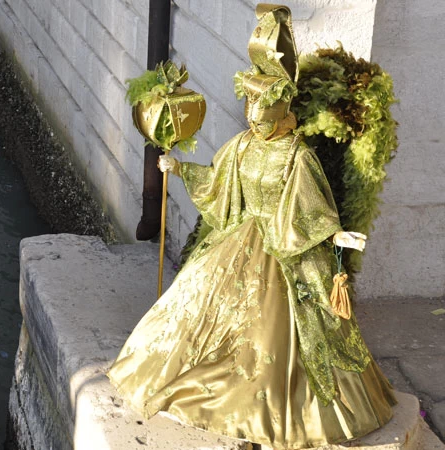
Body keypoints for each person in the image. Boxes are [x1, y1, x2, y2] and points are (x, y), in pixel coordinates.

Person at [107, 5, 396, 449]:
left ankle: (279, 413)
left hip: (282, 250)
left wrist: (336, 236)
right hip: (235, 244)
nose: (253, 111)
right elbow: (219, 181)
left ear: (281, 105)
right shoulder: (242, 146)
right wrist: (180, 169)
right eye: (250, 101)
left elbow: (311, 210)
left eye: (262, 103)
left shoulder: (298, 157)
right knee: (188, 310)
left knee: (279, 341)